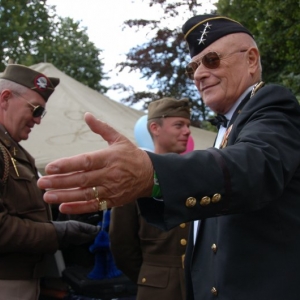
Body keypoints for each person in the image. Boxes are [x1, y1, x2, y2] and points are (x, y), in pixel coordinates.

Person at [37, 14, 300, 300]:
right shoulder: (232, 123)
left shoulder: (272, 105)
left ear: (251, 60)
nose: (199, 74)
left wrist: (155, 174)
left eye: (211, 60)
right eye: (193, 67)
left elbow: (254, 165)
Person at [0, 64, 100, 300]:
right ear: (5, 98)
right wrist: (57, 233)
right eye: (35, 110)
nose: (38, 121)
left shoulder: (13, 152)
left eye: (41, 113)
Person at [109, 97, 191, 300]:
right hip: (157, 291)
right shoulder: (134, 179)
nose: (187, 131)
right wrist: (152, 276)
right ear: (155, 128)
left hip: (199, 284)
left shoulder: (197, 175)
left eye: (188, 125)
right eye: (179, 125)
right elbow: (122, 245)